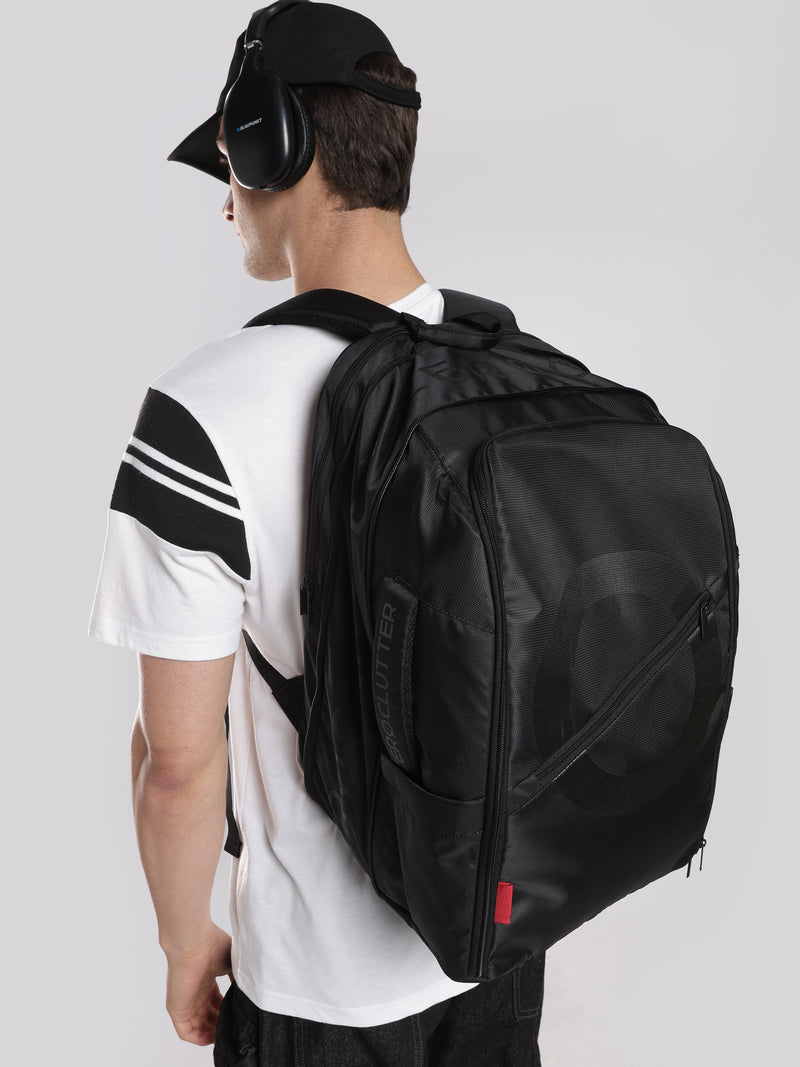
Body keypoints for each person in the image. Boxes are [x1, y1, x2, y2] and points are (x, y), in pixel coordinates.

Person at [90, 2, 546, 1063]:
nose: (226, 203)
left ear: (271, 143)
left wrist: (181, 941)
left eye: (227, 163)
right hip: (496, 942)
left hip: (320, 993)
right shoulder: (504, 366)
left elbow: (177, 762)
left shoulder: (202, 412)